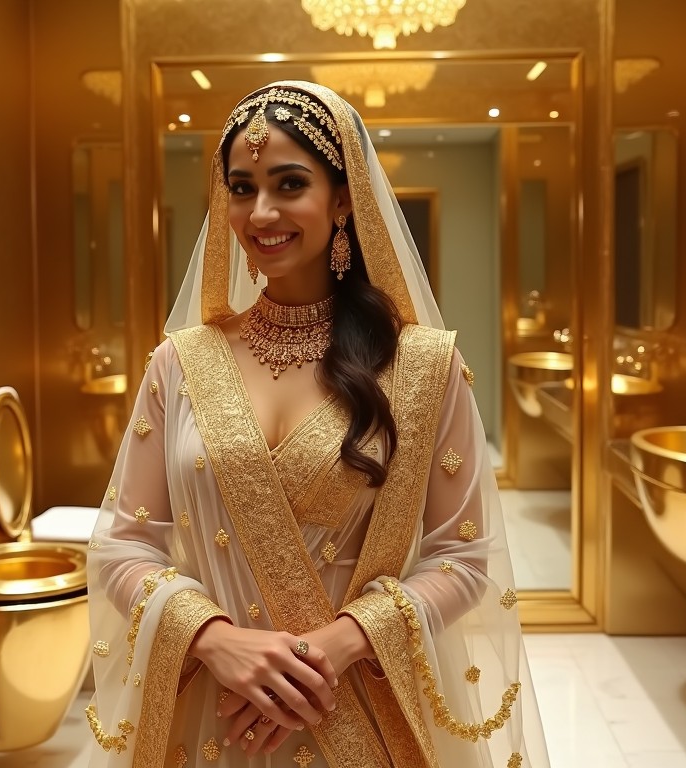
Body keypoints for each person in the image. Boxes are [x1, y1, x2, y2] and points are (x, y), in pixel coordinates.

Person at [85, 81, 549, 768]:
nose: (260, 211)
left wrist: (335, 647)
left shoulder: (422, 368)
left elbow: (467, 557)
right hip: (216, 711)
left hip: (357, 706)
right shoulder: (180, 364)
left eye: (288, 183)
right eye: (241, 188)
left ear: (342, 198)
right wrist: (215, 638)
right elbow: (123, 543)